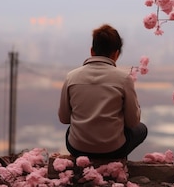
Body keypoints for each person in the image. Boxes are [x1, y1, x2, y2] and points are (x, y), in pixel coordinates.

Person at [58, 24, 147, 159]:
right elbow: (132, 122)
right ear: (116, 53)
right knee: (141, 129)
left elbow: (64, 118)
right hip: (113, 150)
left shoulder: (71, 77)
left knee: (70, 131)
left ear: (92, 51)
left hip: (78, 149)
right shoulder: (124, 79)